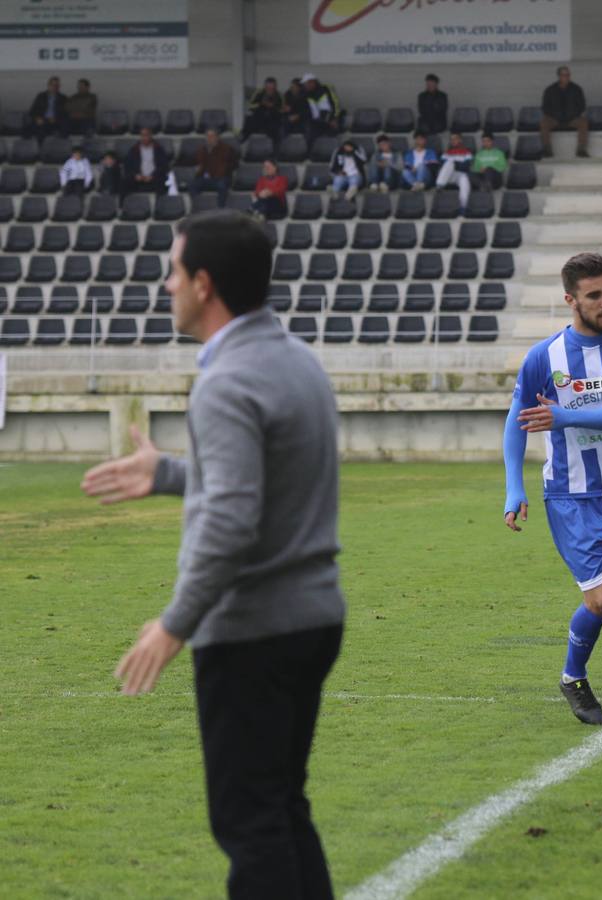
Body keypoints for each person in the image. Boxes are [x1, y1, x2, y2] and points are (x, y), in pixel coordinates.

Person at [79, 210, 346, 897]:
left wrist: (175, 624)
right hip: (313, 619)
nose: (164, 285)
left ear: (203, 284)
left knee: (250, 824)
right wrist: (169, 473)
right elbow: (261, 480)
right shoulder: (297, 361)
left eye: (172, 271)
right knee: (283, 809)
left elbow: (230, 520)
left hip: (254, 632)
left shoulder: (228, 382)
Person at [502, 252, 602, 730]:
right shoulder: (544, 357)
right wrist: (515, 486)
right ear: (571, 299)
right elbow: (517, 421)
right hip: (571, 495)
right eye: (594, 294)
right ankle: (573, 677)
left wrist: (565, 414)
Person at [540, 66, 589, 158]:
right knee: (544, 123)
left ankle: (581, 149)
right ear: (559, 76)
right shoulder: (550, 90)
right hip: (555, 120)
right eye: (564, 75)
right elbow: (545, 107)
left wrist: (572, 115)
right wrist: (554, 116)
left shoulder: (576, 89)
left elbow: (582, 106)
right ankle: (547, 150)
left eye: (568, 75)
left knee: (583, 122)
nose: (566, 77)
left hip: (571, 120)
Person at [191, 128, 239, 208]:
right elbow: (194, 161)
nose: (209, 139)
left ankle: (220, 209)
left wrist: (224, 170)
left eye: (212, 136)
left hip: (221, 178)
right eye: (208, 136)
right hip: (206, 178)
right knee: (193, 185)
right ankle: (197, 207)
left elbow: (234, 164)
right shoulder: (202, 150)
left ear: (217, 137)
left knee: (222, 186)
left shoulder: (227, 149)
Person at [123, 128, 171, 195]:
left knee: (162, 181)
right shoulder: (134, 150)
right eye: (142, 135)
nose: (144, 137)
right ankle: (123, 204)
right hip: (138, 178)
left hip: (154, 178)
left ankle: (160, 204)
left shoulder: (158, 149)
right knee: (125, 182)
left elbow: (164, 166)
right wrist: (136, 175)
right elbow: (128, 165)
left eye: (146, 135)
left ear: (150, 136)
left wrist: (153, 176)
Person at [301, 73, 343, 143]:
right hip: (315, 121)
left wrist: (334, 118)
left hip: (329, 119)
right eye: (305, 84)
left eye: (307, 83)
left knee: (333, 133)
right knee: (308, 132)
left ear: (313, 82)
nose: (306, 86)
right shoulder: (305, 94)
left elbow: (336, 104)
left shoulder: (326, 89)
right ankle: (309, 152)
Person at [436, 132, 473, 208]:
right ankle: (439, 185)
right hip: (448, 176)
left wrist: (455, 164)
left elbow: (466, 166)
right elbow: (442, 166)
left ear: (460, 140)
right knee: (449, 163)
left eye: (455, 139)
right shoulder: (446, 153)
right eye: (452, 139)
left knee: (465, 182)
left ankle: (463, 207)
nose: (453, 141)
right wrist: (456, 164)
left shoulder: (467, 153)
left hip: (460, 175)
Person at [245, 77, 287, 144]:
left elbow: (282, 110)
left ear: (275, 87)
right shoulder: (258, 93)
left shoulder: (279, 95)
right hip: (259, 118)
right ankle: (244, 140)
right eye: (268, 88)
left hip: (273, 119)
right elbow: (250, 106)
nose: (270, 90)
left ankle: (276, 151)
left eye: (272, 88)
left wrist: (274, 107)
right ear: (265, 87)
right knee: (248, 119)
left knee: (278, 127)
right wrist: (261, 104)